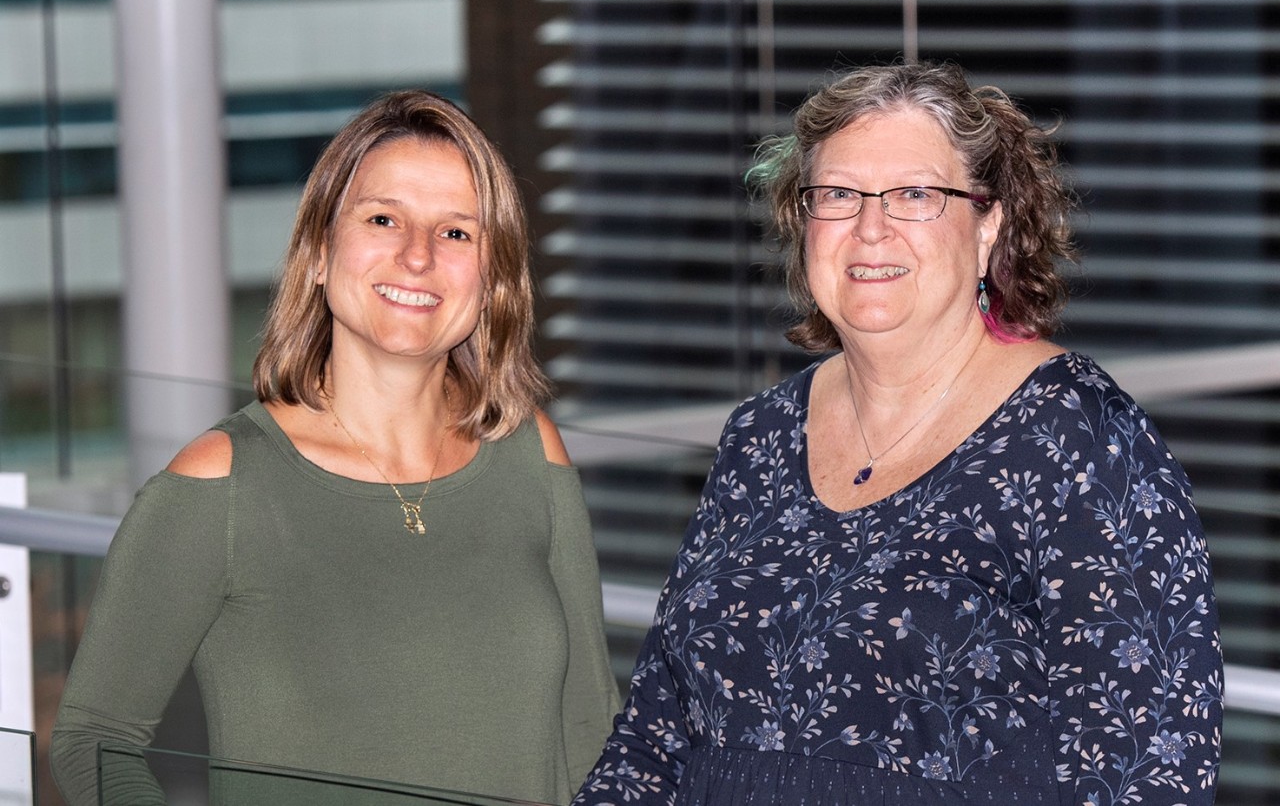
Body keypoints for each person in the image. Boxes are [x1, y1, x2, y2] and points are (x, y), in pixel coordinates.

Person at [573, 61, 1222, 805]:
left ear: (988, 225)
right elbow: (656, 738)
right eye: (839, 195)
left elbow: (1149, 768)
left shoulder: (1081, 437)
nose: (870, 227)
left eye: (915, 194)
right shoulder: (758, 437)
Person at [51, 90, 619, 805]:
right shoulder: (218, 484)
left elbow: (590, 726)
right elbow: (95, 739)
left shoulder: (531, 452)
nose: (416, 256)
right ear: (320, 252)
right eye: (383, 219)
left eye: (456, 233)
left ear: (494, 279)